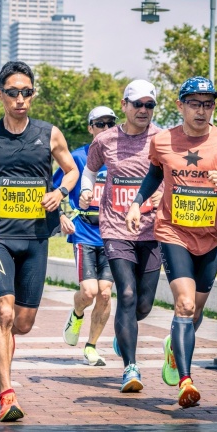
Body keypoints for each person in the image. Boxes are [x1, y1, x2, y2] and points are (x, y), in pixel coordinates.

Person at [0, 61, 79, 422]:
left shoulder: (49, 134)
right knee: (3, 313)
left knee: (22, 323)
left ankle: (7, 341)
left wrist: (60, 192)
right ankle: (7, 394)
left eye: (26, 92)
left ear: (33, 94)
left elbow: (71, 170)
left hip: (36, 237)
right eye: (12, 93)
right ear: (0, 95)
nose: (20, 99)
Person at [126, 76, 217, 408]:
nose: (201, 110)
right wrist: (137, 203)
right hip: (173, 232)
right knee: (184, 304)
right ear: (180, 105)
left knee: (194, 312)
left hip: (211, 237)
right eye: (194, 103)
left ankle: (173, 346)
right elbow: (155, 174)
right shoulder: (163, 141)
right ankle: (186, 382)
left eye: (208, 104)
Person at [79, 80, 163, 394]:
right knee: (126, 294)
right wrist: (86, 189)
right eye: (137, 104)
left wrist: (163, 195)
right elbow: (90, 170)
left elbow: (172, 174)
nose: (143, 110)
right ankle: (130, 367)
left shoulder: (162, 139)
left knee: (143, 305)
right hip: (116, 229)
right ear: (124, 105)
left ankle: (122, 334)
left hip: (153, 230)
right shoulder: (105, 140)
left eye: (149, 105)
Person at [58, 106, 117, 367]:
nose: (105, 128)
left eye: (110, 123)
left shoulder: (121, 157)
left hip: (114, 233)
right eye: (100, 124)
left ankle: (91, 346)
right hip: (84, 231)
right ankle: (77, 312)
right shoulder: (77, 157)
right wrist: (61, 215)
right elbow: (54, 188)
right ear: (90, 127)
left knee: (105, 293)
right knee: (89, 291)